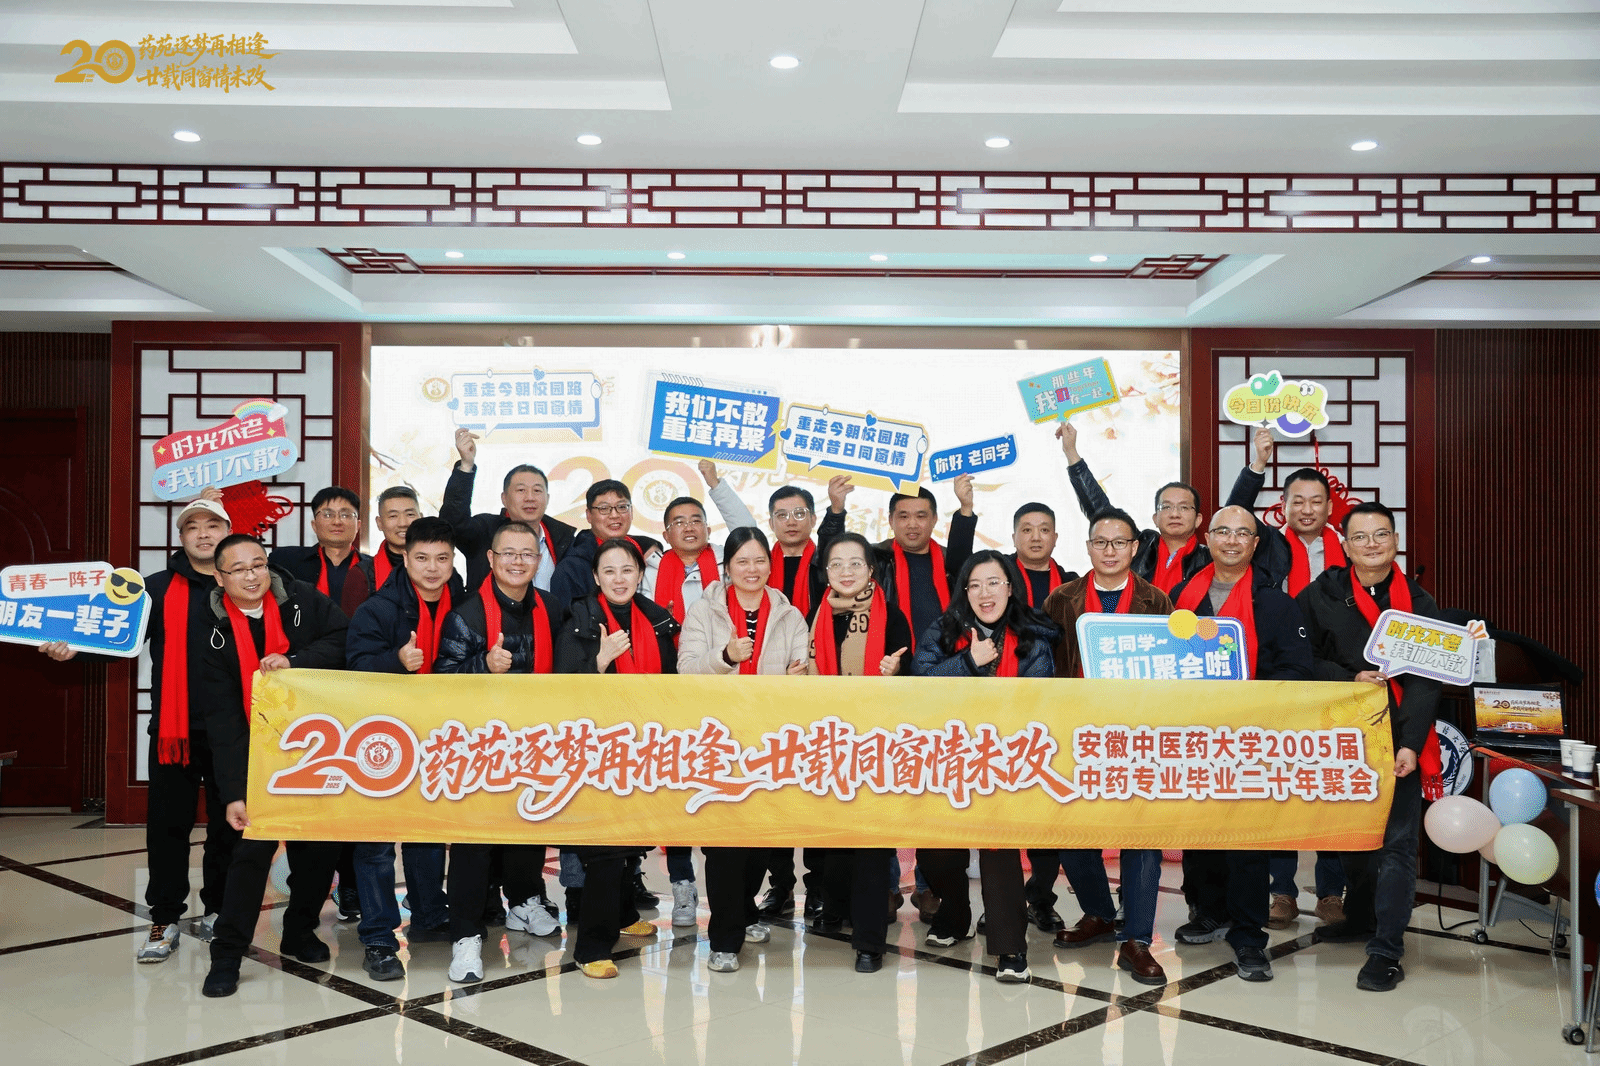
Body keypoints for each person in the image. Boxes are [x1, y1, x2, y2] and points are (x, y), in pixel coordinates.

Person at [40, 493, 241, 963]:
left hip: (234, 730)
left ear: (227, 533)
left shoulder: (246, 581)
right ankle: (165, 917)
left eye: (213, 525)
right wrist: (74, 649)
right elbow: (114, 635)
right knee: (167, 828)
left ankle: (219, 910)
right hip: (174, 730)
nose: (204, 534)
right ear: (181, 536)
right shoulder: (155, 588)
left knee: (227, 826)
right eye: (193, 527)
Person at [195, 534, 348, 998]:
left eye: (258, 565)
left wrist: (295, 661)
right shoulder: (210, 626)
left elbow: (342, 638)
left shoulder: (300, 598)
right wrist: (234, 792)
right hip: (252, 750)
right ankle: (227, 953)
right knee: (250, 854)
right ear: (219, 577)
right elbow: (221, 717)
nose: (251, 576)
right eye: (239, 569)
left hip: (311, 745)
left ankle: (299, 929)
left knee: (317, 850)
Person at [1299, 500, 1441, 993]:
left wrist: (1411, 743)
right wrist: (1349, 677)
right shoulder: (1321, 593)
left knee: (1397, 844)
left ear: (1396, 541)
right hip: (1341, 732)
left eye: (1381, 535)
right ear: (1345, 545)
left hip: (1399, 733)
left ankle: (1386, 949)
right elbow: (1302, 656)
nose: (1371, 545)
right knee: (1353, 836)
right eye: (1359, 537)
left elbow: (1426, 679)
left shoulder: (1419, 602)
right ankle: (1360, 917)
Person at [1167, 505, 1314, 982]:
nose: (1231, 540)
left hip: (1251, 739)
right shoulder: (1180, 599)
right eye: (1222, 531)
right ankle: (1209, 912)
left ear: (1255, 544)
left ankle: (1249, 935)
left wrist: (1247, 696)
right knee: (1199, 832)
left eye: (1242, 533)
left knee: (1247, 841)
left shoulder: (1276, 604)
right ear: (1207, 539)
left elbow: (1297, 670)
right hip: (1193, 736)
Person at [911, 550, 1060, 983]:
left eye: (994, 582)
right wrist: (968, 663)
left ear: (1010, 587)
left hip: (1006, 759)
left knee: (998, 850)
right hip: (949, 754)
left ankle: (1010, 947)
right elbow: (920, 686)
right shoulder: (943, 629)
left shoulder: (1034, 637)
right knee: (937, 852)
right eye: (974, 585)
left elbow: (1039, 703)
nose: (984, 593)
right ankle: (955, 914)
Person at [1044, 507, 1173, 986]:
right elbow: (1044, 664)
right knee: (1072, 830)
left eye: (1120, 542)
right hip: (1075, 733)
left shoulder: (1157, 601)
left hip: (1139, 735)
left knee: (1143, 835)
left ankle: (1137, 939)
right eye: (1101, 542)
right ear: (1088, 547)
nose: (1110, 551)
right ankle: (1099, 912)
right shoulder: (1062, 599)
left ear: (1135, 548)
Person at [434, 521, 568, 983]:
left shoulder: (551, 608)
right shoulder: (467, 615)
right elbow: (440, 682)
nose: (517, 562)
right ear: (490, 559)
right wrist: (482, 665)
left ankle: (524, 902)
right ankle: (466, 935)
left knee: (528, 826)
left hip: (534, 742)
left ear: (538, 561)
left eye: (527, 554)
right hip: (479, 747)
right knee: (474, 841)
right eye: (508, 553)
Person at [677, 527, 809, 973]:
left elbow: (803, 674)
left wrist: (795, 680)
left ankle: (745, 911)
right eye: (742, 561)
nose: (752, 570)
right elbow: (686, 670)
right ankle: (724, 939)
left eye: (759, 561)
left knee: (759, 845)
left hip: (769, 745)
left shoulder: (789, 614)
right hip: (718, 743)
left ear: (770, 565)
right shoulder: (704, 610)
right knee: (724, 846)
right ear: (727, 567)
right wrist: (726, 656)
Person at [343, 517, 466, 980]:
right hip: (382, 740)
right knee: (375, 842)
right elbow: (353, 668)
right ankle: (378, 937)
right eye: (422, 558)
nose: (432, 568)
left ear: (452, 560)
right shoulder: (377, 608)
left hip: (440, 737)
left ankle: (430, 914)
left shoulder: (467, 604)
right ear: (405, 557)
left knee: (429, 832)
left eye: (442, 558)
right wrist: (395, 661)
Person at [1235, 426, 1350, 923]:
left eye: (1316, 501)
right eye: (1297, 501)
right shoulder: (1264, 547)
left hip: (1334, 682)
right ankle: (1281, 891)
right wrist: (1257, 465)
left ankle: (1331, 892)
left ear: (1329, 506)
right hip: (1280, 677)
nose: (1306, 509)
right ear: (1282, 506)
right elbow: (1234, 513)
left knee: (1329, 785)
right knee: (1279, 784)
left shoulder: (1350, 550)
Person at [553, 537, 678, 977]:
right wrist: (601, 661)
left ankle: (624, 914)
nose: (619, 579)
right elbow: (562, 687)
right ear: (595, 577)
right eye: (609, 571)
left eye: (627, 570)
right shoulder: (579, 619)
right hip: (595, 750)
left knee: (632, 842)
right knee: (604, 848)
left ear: (640, 574)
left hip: (643, 746)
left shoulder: (658, 619)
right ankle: (591, 948)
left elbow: (673, 683)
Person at [801, 531, 911, 970]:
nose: (845, 572)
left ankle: (869, 942)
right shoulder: (814, 616)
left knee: (870, 842)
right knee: (832, 837)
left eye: (855, 564)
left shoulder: (893, 617)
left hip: (877, 743)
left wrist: (896, 672)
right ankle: (835, 909)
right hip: (826, 741)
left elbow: (914, 679)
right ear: (826, 572)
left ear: (870, 570)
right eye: (836, 564)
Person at [759, 477, 849, 920]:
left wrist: (837, 510)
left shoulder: (824, 565)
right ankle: (780, 886)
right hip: (771, 694)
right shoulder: (759, 565)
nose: (791, 521)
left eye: (799, 514)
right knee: (773, 793)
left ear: (812, 519)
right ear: (771, 522)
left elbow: (833, 539)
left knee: (816, 790)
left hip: (819, 690)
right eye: (782, 515)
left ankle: (818, 887)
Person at [1058, 420, 1212, 595]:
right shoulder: (1141, 546)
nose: (1174, 514)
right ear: (1155, 518)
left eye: (1184, 508)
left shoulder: (1210, 558)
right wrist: (1071, 453)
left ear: (1198, 519)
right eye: (1166, 507)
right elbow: (1099, 509)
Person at [442, 427, 578, 591]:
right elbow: (452, 524)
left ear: (547, 499)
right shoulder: (485, 531)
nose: (530, 497)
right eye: (521, 490)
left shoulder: (563, 539)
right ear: (504, 499)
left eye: (537, 490)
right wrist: (466, 465)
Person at [642, 460, 759, 624]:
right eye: (679, 523)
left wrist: (716, 485)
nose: (689, 528)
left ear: (708, 531)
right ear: (666, 536)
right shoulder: (650, 573)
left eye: (696, 521)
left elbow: (748, 535)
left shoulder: (728, 563)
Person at [874, 478, 977, 658]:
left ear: (934, 519)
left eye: (921, 516)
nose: (912, 524)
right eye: (904, 517)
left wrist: (966, 507)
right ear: (890, 520)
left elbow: (962, 553)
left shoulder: (949, 561)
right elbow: (834, 560)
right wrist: (836, 511)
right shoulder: (875, 558)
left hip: (950, 662)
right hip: (893, 663)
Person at [549, 479, 664, 607]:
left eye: (622, 507)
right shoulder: (571, 569)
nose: (614, 515)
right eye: (604, 508)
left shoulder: (647, 554)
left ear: (631, 511)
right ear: (589, 515)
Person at [269, 486, 374, 620]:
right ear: (314, 525)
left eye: (345, 515)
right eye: (328, 515)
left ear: (358, 525)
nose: (337, 522)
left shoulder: (374, 568)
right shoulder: (285, 560)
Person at [370, 486, 422, 592]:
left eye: (410, 514)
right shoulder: (363, 574)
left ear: (421, 519)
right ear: (379, 523)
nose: (403, 523)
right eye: (393, 516)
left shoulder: (439, 569)